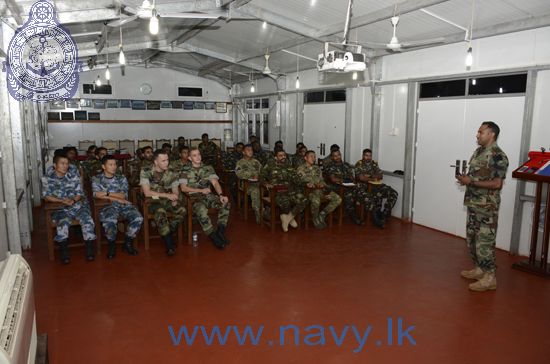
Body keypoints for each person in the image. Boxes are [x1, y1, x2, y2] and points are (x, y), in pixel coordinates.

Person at [456, 122, 508, 292]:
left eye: (481, 132)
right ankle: (480, 269)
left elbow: (497, 184)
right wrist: (466, 179)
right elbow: (475, 176)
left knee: (485, 242)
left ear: (491, 134)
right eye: (478, 132)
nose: (477, 135)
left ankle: (490, 277)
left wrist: (472, 182)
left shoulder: (498, 156)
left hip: (487, 208)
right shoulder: (478, 152)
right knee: (472, 240)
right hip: (473, 203)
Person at [42, 153, 96, 264]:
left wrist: (74, 200)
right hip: (60, 208)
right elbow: (47, 196)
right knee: (63, 223)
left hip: (77, 206)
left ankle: (89, 249)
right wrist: (62, 201)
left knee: (88, 221)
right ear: (54, 165)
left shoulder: (73, 176)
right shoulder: (47, 178)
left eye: (67, 163)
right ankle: (64, 251)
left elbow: (79, 193)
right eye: (62, 163)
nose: (65, 166)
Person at [92, 155, 142, 259]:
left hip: (123, 205)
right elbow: (96, 195)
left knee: (138, 218)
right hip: (106, 206)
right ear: (103, 166)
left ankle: (127, 242)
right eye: (110, 164)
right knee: (110, 219)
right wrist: (117, 197)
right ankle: (111, 245)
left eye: (115, 164)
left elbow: (123, 195)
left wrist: (107, 194)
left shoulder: (121, 178)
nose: (114, 167)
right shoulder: (96, 179)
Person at [180, 148, 230, 249]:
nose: (198, 157)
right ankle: (213, 235)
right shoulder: (184, 169)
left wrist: (221, 195)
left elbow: (215, 183)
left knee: (225, 203)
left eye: (199, 154)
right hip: (193, 199)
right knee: (201, 209)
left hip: (208, 197)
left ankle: (220, 231)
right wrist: (201, 191)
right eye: (194, 155)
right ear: (189, 158)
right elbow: (183, 188)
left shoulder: (208, 168)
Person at [140, 149, 186, 256]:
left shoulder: (172, 171)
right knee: (160, 212)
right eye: (163, 161)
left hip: (167, 199)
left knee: (182, 210)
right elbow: (147, 193)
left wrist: (175, 197)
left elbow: (175, 188)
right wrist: (168, 195)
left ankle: (168, 232)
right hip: (153, 199)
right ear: (156, 162)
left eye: (167, 160)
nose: (167, 163)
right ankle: (169, 244)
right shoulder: (146, 170)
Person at [260, 149, 307, 232]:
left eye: (284, 155)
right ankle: (289, 218)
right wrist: (266, 183)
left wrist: (302, 179)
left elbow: (295, 179)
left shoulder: (289, 165)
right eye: (280, 156)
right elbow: (261, 176)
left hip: (290, 191)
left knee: (304, 200)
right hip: (276, 192)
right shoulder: (270, 165)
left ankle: (288, 217)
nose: (283, 157)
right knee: (286, 202)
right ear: (275, 157)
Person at [296, 150, 341, 229]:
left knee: (338, 199)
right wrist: (316, 185)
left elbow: (322, 180)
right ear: (305, 158)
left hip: (321, 190)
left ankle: (322, 214)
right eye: (311, 156)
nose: (314, 158)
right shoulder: (301, 169)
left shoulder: (317, 168)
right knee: (316, 201)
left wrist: (322, 184)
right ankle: (315, 219)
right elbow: (304, 181)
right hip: (308, 192)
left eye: (314, 156)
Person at [355, 148, 398, 228]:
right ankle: (377, 220)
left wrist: (369, 176)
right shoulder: (359, 164)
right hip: (363, 187)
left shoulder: (374, 163)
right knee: (370, 198)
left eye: (370, 156)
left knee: (393, 193)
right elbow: (361, 178)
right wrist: (373, 177)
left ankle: (384, 213)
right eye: (366, 156)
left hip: (375, 186)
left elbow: (380, 175)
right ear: (363, 156)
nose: (368, 158)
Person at [324, 149, 364, 225]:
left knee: (360, 189)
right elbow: (333, 179)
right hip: (336, 187)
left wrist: (353, 180)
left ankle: (371, 210)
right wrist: (343, 180)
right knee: (349, 194)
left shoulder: (346, 165)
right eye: (335, 156)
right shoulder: (330, 166)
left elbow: (351, 177)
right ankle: (354, 216)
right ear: (332, 157)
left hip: (348, 185)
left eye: (338, 155)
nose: (337, 157)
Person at [235, 144, 262, 223]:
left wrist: (259, 176)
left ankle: (265, 210)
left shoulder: (256, 161)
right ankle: (258, 212)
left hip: (258, 182)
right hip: (246, 184)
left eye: (251, 150)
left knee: (270, 189)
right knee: (255, 190)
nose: (251, 152)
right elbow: (238, 174)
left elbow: (263, 172)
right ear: (243, 152)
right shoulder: (240, 162)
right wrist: (251, 175)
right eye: (248, 150)